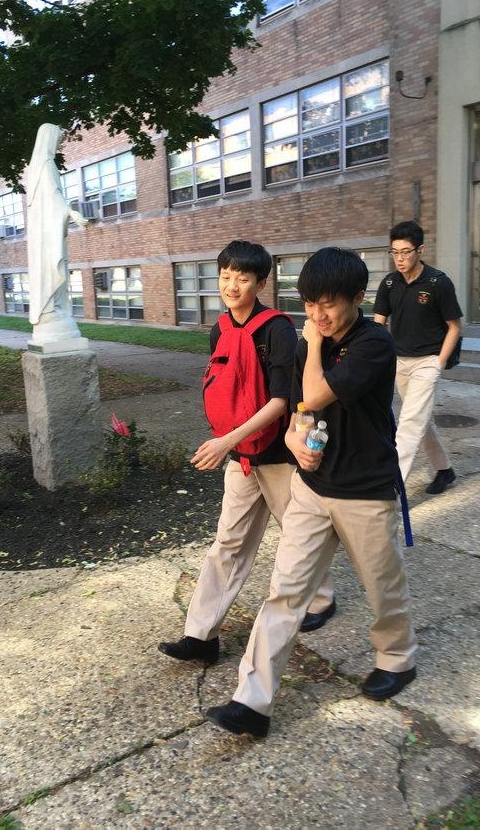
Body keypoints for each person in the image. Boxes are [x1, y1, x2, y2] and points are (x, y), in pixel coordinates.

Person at [206, 248, 417, 738]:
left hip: (365, 491)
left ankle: (397, 657)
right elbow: (303, 409)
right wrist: (294, 439)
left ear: (358, 298)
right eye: (309, 304)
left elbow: (319, 392)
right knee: (285, 591)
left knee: (382, 586)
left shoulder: (374, 343)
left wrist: (314, 343)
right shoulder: (312, 344)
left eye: (328, 304)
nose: (318, 314)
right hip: (312, 489)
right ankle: (251, 702)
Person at [158, 239, 318, 665]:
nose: (231, 285)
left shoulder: (277, 330)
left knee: (300, 536)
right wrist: (229, 442)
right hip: (242, 455)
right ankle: (201, 636)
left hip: (279, 456)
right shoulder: (220, 329)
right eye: (225, 276)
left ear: (261, 283)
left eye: (242, 278)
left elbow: (281, 401)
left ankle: (321, 598)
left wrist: (226, 440)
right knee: (227, 543)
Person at [373, 221, 463, 494]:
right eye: (395, 252)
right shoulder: (389, 283)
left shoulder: (438, 283)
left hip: (427, 362)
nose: (399, 258)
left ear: (420, 250)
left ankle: (390, 489)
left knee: (410, 423)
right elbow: (379, 324)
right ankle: (445, 469)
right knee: (421, 420)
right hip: (399, 362)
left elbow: (454, 326)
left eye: (406, 252)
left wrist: (439, 363)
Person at [26, 123, 88, 344]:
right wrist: (70, 212)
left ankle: (50, 310)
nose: (60, 144)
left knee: (49, 268)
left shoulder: (34, 167)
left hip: (43, 231)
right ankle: (50, 310)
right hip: (47, 232)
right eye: (59, 140)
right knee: (53, 267)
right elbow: (54, 196)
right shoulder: (46, 164)